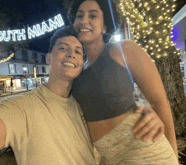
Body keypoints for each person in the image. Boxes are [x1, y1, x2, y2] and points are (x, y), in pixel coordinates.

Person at [0, 26, 170, 165]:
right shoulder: (23, 107)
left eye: (78, 51)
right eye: (63, 48)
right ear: (49, 57)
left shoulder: (86, 106)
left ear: (83, 63)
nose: (71, 54)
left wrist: (146, 114)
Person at [67, 0, 179, 164]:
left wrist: (173, 154)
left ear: (104, 26)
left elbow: (160, 102)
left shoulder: (124, 50)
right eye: (79, 15)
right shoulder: (77, 68)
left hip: (145, 152)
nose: (84, 20)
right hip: (109, 158)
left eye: (93, 15)